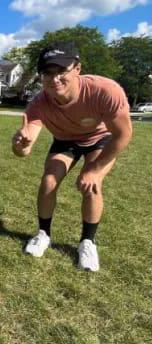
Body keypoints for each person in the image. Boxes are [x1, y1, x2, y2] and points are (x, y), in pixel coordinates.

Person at [12, 42, 132, 272]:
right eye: (48, 73)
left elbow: (123, 134)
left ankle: (87, 242)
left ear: (77, 69)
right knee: (49, 181)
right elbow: (24, 151)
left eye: (61, 71)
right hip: (65, 140)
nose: (54, 78)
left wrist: (94, 170)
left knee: (91, 186)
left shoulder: (105, 90)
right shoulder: (38, 104)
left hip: (99, 138)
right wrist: (21, 144)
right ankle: (43, 234)